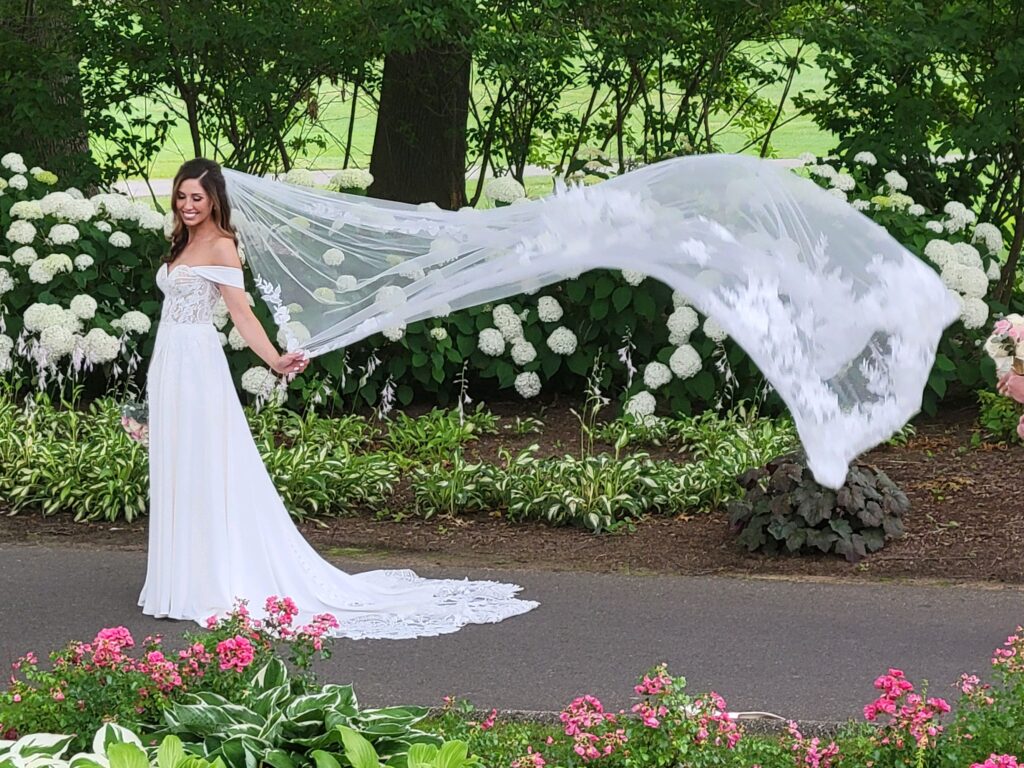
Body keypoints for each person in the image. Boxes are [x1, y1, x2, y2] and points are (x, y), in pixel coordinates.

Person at [139, 158, 538, 638]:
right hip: (170, 361)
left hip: (198, 366)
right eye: (181, 196)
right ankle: (178, 579)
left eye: (196, 198)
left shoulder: (223, 246)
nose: (186, 205)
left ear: (215, 200)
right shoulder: (182, 242)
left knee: (205, 464)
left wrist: (274, 359)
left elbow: (242, 316)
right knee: (177, 464)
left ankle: (207, 581)